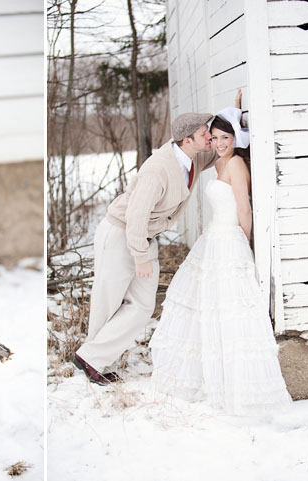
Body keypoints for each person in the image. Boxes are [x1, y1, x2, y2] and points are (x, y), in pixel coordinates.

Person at [148, 90, 292, 414]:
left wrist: (244, 244)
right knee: (207, 308)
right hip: (212, 239)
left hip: (230, 240)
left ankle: (235, 383)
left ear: (235, 138)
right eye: (213, 137)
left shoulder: (236, 164)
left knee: (228, 311)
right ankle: (207, 376)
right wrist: (235, 109)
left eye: (224, 137)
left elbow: (244, 209)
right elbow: (224, 137)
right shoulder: (219, 160)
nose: (218, 142)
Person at [73, 111, 219, 385]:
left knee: (142, 305)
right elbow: (136, 217)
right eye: (204, 134)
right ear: (187, 140)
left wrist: (234, 120)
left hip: (143, 237)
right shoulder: (158, 170)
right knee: (108, 300)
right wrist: (141, 257)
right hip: (121, 234)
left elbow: (221, 149)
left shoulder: (193, 158)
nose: (209, 137)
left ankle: (91, 357)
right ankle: (94, 363)